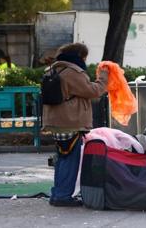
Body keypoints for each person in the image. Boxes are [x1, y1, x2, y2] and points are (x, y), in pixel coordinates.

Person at [42, 43, 108, 207]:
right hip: (69, 121)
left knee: (62, 159)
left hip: (56, 121)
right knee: (70, 160)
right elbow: (93, 91)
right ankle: (62, 196)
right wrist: (103, 77)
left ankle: (58, 193)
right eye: (85, 57)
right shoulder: (72, 72)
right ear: (79, 56)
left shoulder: (54, 69)